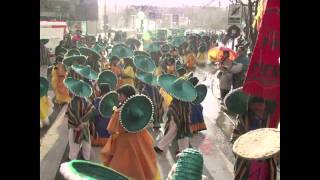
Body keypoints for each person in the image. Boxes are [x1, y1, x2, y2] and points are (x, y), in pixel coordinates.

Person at [100, 85, 161, 180]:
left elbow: (110, 130)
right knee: (142, 163)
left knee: (122, 167)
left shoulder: (118, 112)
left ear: (126, 96)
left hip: (124, 142)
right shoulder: (138, 107)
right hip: (140, 139)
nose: (119, 97)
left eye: (120, 95)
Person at [154, 74, 196, 154]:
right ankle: (183, 150)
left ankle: (161, 147)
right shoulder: (185, 98)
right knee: (181, 132)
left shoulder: (176, 101)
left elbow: (173, 110)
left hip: (177, 118)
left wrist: (172, 114)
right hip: (184, 119)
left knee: (174, 132)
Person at [65, 78, 95, 161]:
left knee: (74, 146)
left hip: (74, 128)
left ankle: (72, 161)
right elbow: (91, 111)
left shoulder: (72, 102)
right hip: (84, 128)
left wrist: (77, 125)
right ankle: (86, 160)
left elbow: (70, 115)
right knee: (86, 146)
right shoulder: (87, 101)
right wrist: (83, 123)